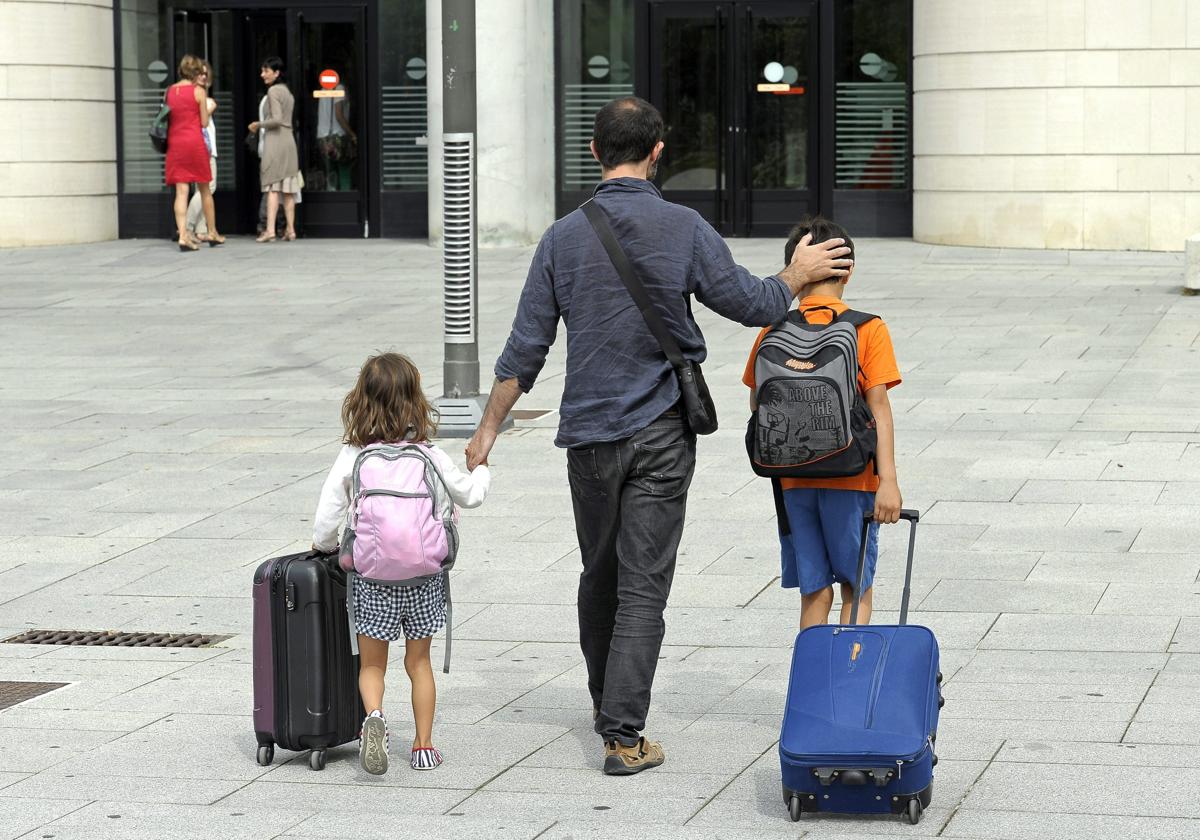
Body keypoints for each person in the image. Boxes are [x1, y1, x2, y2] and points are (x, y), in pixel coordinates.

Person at [465, 96, 852, 776]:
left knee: (600, 574)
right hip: (662, 434)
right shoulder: (683, 227)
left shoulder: (562, 238)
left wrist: (486, 432)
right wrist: (800, 272)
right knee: (644, 585)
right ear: (658, 150)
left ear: (594, 152)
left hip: (587, 437)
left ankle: (604, 701)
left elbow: (524, 350)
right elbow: (753, 303)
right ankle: (622, 736)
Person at [312, 352, 490, 775]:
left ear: (361, 403)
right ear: (415, 402)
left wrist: (323, 546)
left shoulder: (354, 456)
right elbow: (471, 495)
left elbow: (327, 514)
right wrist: (481, 468)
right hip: (425, 577)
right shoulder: (429, 455)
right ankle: (424, 747)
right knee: (418, 663)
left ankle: (373, 718)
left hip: (372, 577)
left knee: (372, 664)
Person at [742, 216, 903, 629]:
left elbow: (756, 402)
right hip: (852, 480)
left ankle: (812, 684)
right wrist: (888, 482)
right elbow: (879, 408)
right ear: (848, 270)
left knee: (814, 590)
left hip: (793, 479)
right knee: (856, 585)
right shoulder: (867, 328)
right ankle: (846, 679)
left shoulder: (772, 328)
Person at [164, 54, 224, 251]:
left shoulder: (169, 91)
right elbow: (204, 122)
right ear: (195, 72)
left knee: (181, 191)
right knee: (205, 189)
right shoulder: (198, 91)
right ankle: (213, 231)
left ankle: (183, 235)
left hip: (175, 143)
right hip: (194, 143)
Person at [249, 56, 300, 242]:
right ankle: (291, 230)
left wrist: (258, 124)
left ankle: (270, 230)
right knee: (288, 188)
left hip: (275, 140)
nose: (262, 75)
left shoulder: (272, 92)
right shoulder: (288, 92)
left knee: (271, 187)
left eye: (266, 71)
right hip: (289, 140)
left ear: (276, 73)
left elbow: (276, 119)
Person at [185, 61, 218, 243]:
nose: (204, 77)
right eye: (200, 73)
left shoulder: (198, 97)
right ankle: (187, 227)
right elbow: (201, 119)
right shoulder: (202, 99)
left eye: (206, 74)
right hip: (203, 149)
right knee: (209, 188)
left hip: (199, 148)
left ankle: (200, 229)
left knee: (202, 189)